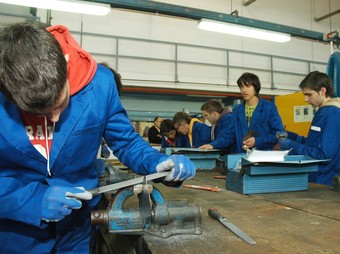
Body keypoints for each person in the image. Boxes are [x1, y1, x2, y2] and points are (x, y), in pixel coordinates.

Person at [0, 22, 195, 253]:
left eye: (61, 103)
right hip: (15, 232)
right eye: (38, 113)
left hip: (76, 229)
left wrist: (156, 162)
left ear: (65, 63)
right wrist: (32, 201)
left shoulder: (100, 84)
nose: (54, 118)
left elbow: (125, 141)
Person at [278, 71, 340, 186]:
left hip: (326, 181)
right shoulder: (322, 111)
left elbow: (324, 155)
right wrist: (291, 136)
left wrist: (291, 145)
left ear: (322, 91)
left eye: (309, 94)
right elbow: (313, 143)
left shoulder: (333, 113)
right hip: (316, 176)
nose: (306, 99)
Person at [233, 72, 284, 152]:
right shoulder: (237, 110)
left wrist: (257, 141)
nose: (244, 90)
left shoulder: (269, 108)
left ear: (256, 87)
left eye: (248, 86)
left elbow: (280, 134)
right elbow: (231, 135)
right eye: (241, 87)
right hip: (241, 156)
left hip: (263, 157)